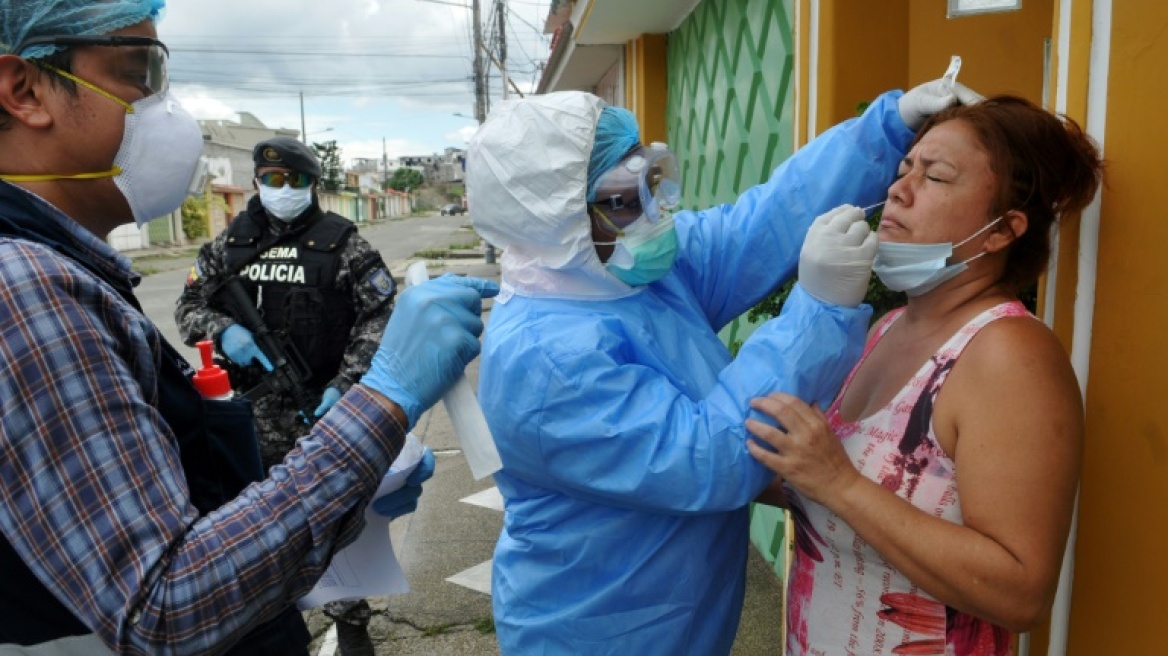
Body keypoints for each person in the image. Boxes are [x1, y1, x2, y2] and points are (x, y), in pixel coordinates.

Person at [0, 2, 498, 654]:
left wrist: (354, 424)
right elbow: (168, 604)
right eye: (140, 69)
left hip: (322, 409)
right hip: (266, 420)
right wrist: (383, 400)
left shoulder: (337, 240)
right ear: (25, 90)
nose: (163, 106)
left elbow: (184, 535)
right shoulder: (31, 288)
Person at [465, 78, 978, 655]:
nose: (656, 211)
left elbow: (758, 227)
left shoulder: (620, 268)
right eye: (625, 199)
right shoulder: (546, 361)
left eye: (651, 179)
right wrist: (817, 311)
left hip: (678, 616)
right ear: (556, 222)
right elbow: (709, 459)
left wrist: (885, 129)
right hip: (596, 629)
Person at [744, 95, 1103, 655]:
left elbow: (1022, 592)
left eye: (935, 176)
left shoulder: (1010, 354)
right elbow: (824, 484)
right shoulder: (886, 330)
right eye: (905, 168)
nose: (898, 189)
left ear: (1002, 231)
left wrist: (838, 482)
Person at [175, 136, 396, 656]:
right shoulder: (228, 245)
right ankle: (268, 620)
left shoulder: (343, 243)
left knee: (339, 518)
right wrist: (223, 329)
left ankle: (351, 623)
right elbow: (188, 307)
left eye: (295, 180)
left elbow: (382, 315)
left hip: (323, 407)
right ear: (257, 182)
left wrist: (347, 383)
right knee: (248, 522)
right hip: (248, 417)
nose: (283, 189)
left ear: (311, 184)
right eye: (272, 180)